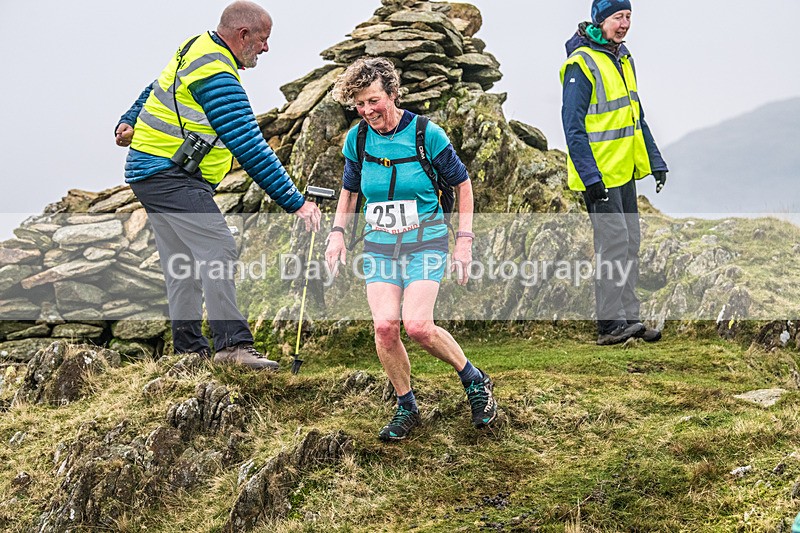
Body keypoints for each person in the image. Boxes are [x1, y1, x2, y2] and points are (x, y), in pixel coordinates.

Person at [114, 1, 321, 369]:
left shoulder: (197, 46)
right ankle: (232, 347)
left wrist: (129, 118)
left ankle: (189, 354)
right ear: (243, 35)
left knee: (182, 263)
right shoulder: (217, 75)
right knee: (219, 246)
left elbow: (156, 85)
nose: (266, 48)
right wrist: (295, 202)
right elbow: (249, 144)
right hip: (168, 175)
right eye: (263, 39)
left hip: (153, 172)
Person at [325, 57, 498, 442]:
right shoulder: (357, 139)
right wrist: (337, 232)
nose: (367, 110)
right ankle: (406, 406)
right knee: (385, 327)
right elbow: (350, 189)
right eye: (359, 103)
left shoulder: (426, 134)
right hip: (380, 244)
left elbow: (463, 184)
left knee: (418, 325)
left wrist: (465, 242)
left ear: (392, 93)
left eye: (373, 100)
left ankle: (474, 380)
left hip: (427, 240)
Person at [560, 0, 668, 346]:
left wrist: (656, 162)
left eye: (629, 17)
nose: (625, 24)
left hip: (624, 172)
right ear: (601, 20)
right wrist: (591, 179)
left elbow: (637, 116)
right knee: (613, 244)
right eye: (619, 17)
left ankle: (630, 319)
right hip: (599, 176)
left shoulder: (623, 59)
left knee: (630, 242)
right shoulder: (581, 63)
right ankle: (610, 325)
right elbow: (572, 127)